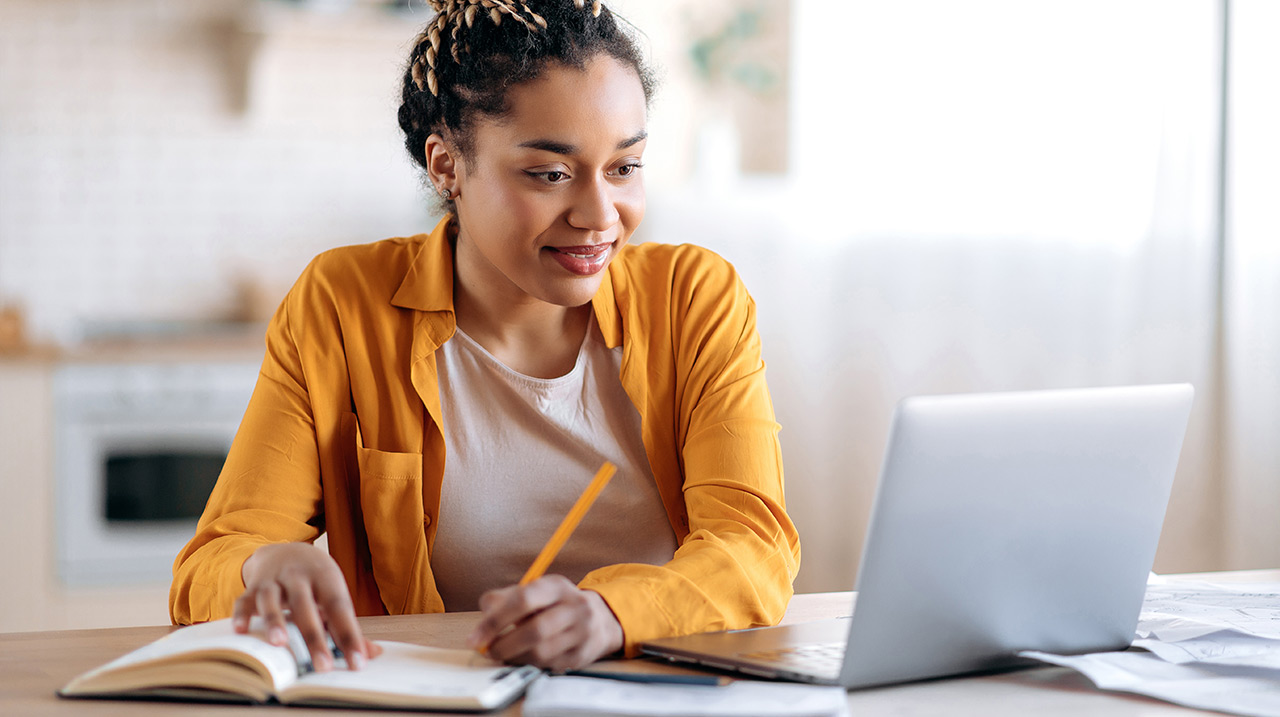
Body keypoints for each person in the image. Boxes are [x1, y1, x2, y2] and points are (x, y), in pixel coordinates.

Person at [170, 0, 799, 674]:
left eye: (624, 168)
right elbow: (208, 566)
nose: (599, 214)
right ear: (446, 166)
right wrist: (263, 563)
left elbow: (752, 545)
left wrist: (611, 614)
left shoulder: (694, 299)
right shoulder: (342, 305)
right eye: (549, 174)